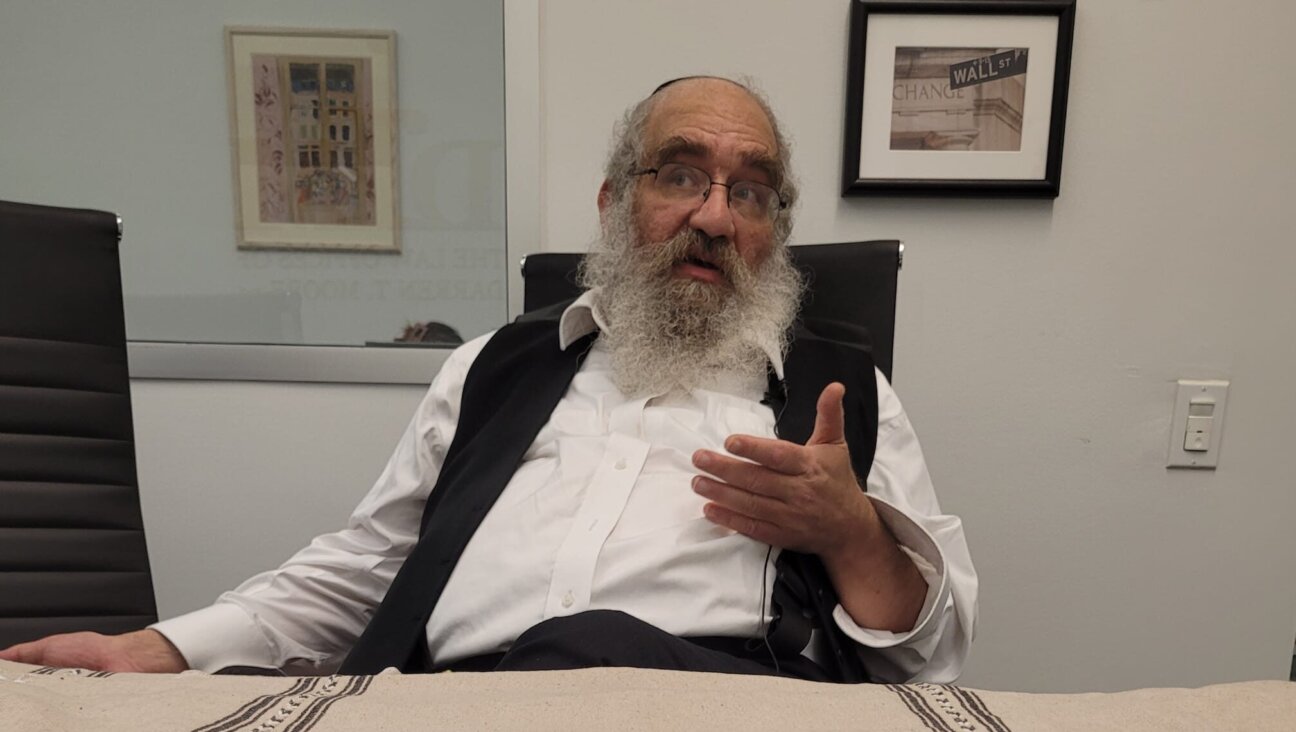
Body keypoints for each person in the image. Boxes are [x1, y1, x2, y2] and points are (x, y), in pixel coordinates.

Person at [0, 76, 976, 683]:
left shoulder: (841, 391)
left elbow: (928, 650)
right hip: (454, 704)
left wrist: (851, 536)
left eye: (750, 191)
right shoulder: (490, 370)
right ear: (611, 203)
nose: (716, 217)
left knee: (591, 645)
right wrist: (163, 648)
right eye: (680, 176)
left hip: (719, 701)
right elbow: (363, 573)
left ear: (774, 230)